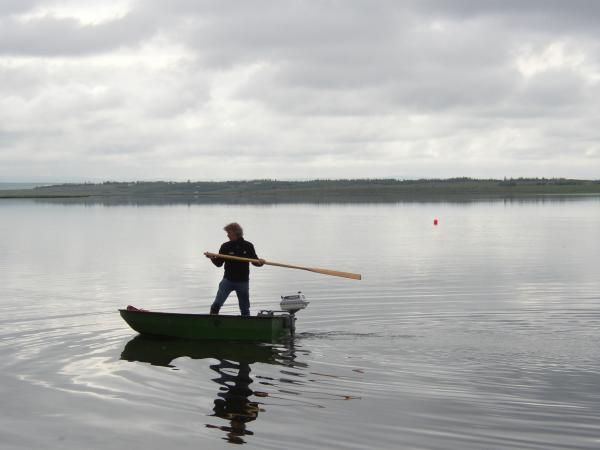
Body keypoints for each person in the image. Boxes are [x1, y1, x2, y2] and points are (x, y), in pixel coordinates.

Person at [205, 223, 264, 316]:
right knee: (216, 305)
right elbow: (219, 264)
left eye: (229, 232)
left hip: (243, 282)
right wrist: (212, 258)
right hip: (227, 281)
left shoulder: (248, 246)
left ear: (236, 233)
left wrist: (260, 262)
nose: (227, 235)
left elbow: (255, 262)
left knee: (245, 309)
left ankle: (246, 325)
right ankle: (211, 322)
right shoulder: (225, 246)